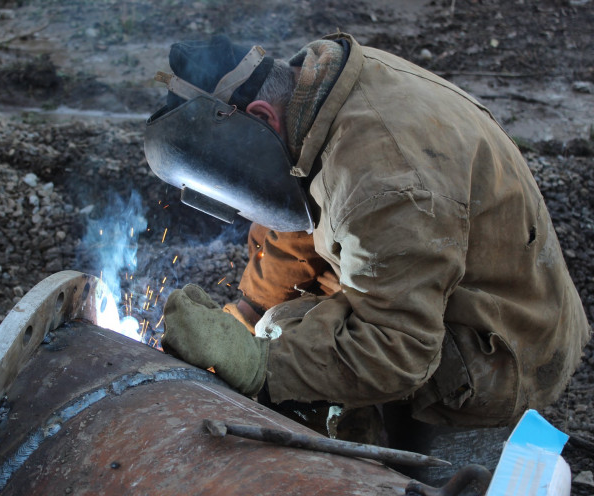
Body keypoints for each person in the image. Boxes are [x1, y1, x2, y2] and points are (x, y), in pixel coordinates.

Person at [143, 33, 591, 434]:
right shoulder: (320, 93)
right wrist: (246, 306)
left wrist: (257, 362)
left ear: (262, 115)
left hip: (505, 346)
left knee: (281, 331)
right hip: (465, 275)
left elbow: (401, 350)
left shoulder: (382, 181)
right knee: (271, 316)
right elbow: (302, 207)